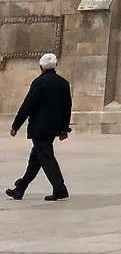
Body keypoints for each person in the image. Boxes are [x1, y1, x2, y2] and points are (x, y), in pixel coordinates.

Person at [7, 52, 73, 201]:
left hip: (39, 128)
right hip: (53, 128)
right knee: (36, 159)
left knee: (46, 158)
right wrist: (64, 128)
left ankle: (60, 188)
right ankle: (20, 188)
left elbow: (28, 105)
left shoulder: (39, 82)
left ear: (41, 67)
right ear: (55, 66)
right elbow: (67, 107)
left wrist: (16, 125)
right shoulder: (63, 83)